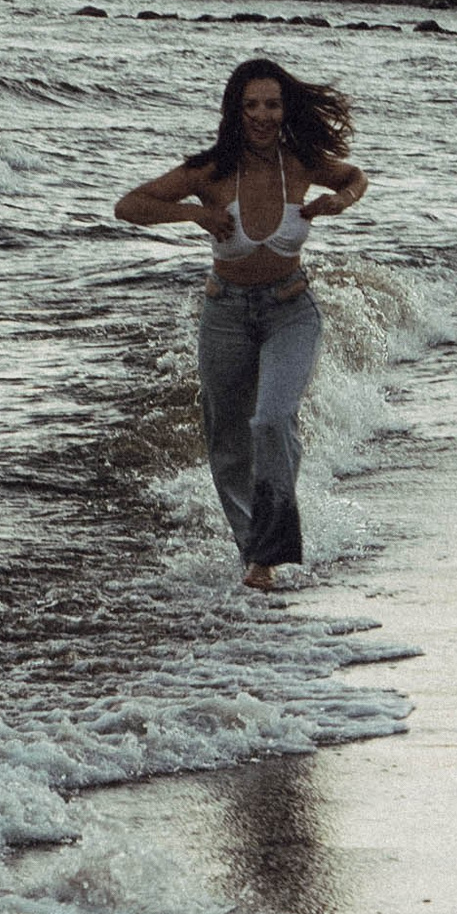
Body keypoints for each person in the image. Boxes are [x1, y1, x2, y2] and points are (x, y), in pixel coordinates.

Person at [114, 56, 367, 591]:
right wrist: (195, 214)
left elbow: (354, 176)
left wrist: (339, 201)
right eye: (251, 105)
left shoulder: (299, 163)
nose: (262, 115)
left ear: (285, 109)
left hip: (291, 311)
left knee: (272, 420)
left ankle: (268, 551)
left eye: (272, 104)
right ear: (235, 110)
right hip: (225, 316)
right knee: (228, 442)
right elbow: (129, 206)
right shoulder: (209, 172)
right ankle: (256, 554)